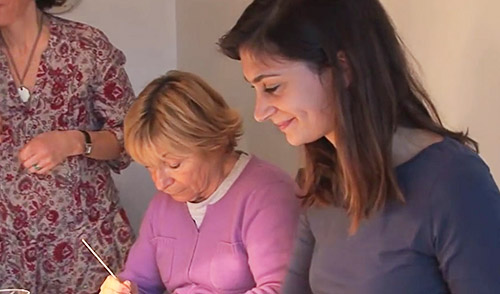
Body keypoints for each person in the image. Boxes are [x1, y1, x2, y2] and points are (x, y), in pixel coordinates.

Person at [218, 0, 500, 293]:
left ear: (344, 68)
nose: (260, 112)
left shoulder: (454, 182)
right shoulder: (322, 186)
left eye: (272, 88)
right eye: (255, 89)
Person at [98, 70, 301, 294]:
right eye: (150, 167)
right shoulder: (163, 205)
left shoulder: (268, 194)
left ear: (211, 141)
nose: (160, 183)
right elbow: (139, 281)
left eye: (174, 165)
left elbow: (282, 289)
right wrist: (123, 289)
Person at [0, 0, 135, 292]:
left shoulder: (86, 47)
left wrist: (74, 141)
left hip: (84, 249)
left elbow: (131, 138)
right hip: (7, 254)